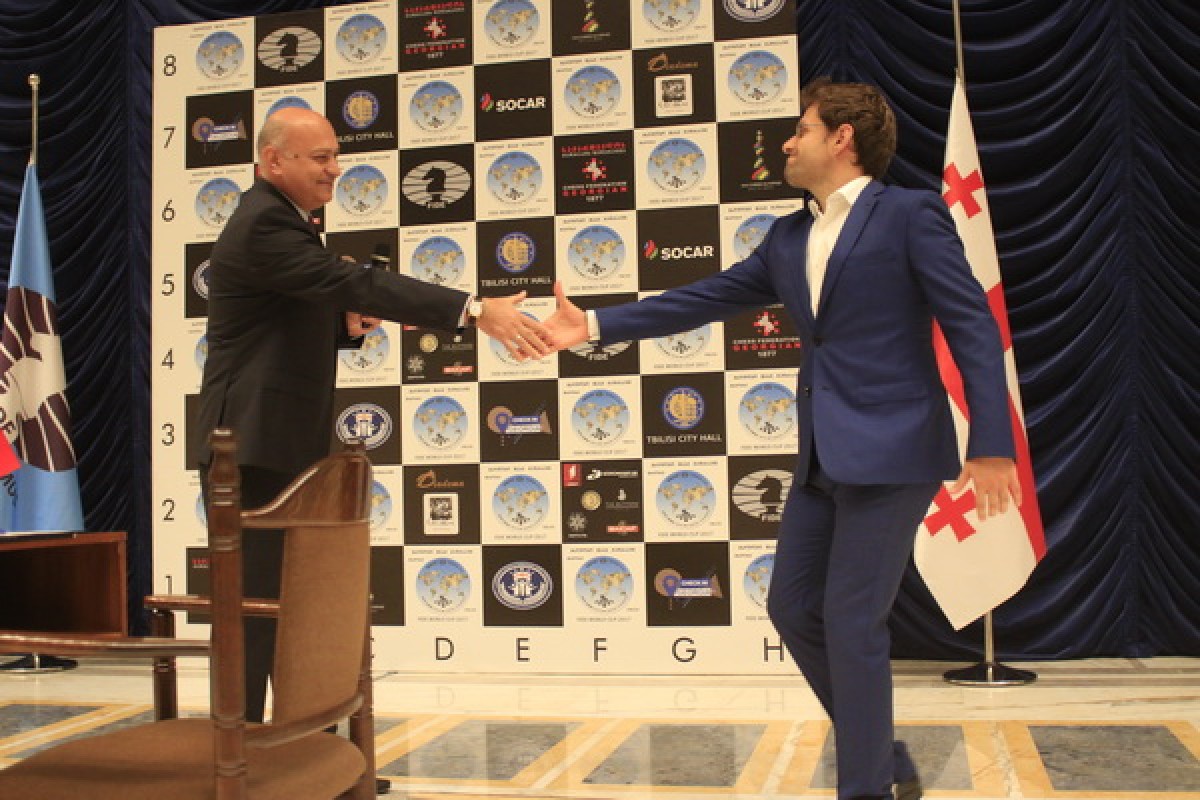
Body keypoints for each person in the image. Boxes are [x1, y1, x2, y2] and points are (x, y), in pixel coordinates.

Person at [544, 78, 1021, 800]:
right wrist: (594, 326)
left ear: (843, 138)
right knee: (794, 609)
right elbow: (705, 297)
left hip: (896, 448)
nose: (787, 142)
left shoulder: (910, 214)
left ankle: (867, 788)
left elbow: (973, 326)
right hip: (821, 456)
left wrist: (992, 443)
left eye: (801, 129)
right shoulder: (789, 235)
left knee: (853, 621)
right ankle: (883, 756)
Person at [196, 107, 550, 748]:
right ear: (274, 161)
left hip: (280, 443)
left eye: (336, 155)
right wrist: (473, 310)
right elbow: (348, 280)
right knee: (254, 609)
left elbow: (282, 318)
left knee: (298, 605)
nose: (335, 169)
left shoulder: (285, 220)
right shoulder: (264, 222)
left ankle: (306, 753)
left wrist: (341, 327)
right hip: (250, 447)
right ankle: (241, 759)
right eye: (320, 157)